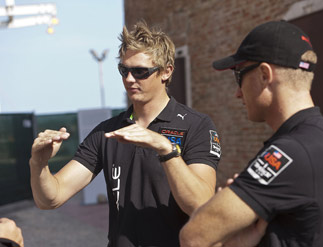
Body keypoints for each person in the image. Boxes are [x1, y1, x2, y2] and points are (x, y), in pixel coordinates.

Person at [29, 21, 221, 247]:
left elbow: (201, 202)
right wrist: (38, 164)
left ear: (166, 72)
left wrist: (166, 149)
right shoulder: (107, 131)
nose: (129, 79)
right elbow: (51, 198)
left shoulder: (196, 125)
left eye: (140, 71)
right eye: (124, 70)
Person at [180, 20, 323, 246]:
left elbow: (193, 236)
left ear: (264, 75)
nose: (237, 93)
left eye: (239, 74)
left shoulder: (290, 152)